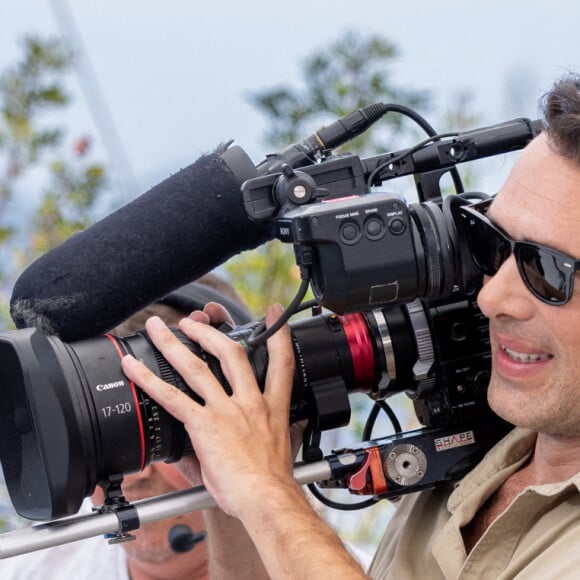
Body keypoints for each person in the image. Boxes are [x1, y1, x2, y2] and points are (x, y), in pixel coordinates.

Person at [116, 72, 580, 580]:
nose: (492, 297)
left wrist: (268, 491)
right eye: (492, 242)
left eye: (547, 270)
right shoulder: (483, 456)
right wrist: (233, 497)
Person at [0, 272, 250, 580]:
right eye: (106, 430)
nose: (135, 473)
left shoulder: (313, 556)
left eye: (171, 417)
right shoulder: (31, 570)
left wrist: (253, 505)